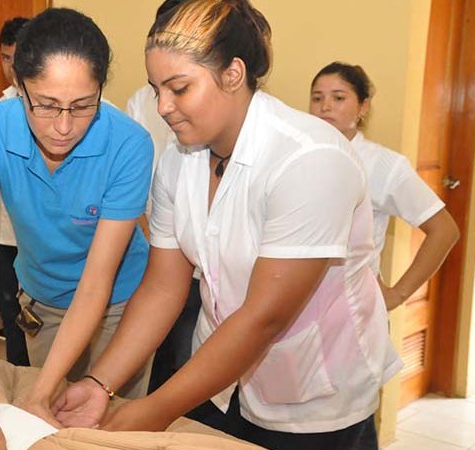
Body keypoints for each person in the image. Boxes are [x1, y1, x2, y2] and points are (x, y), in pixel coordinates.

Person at [52, 1, 401, 449]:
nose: (162, 106)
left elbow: (264, 317)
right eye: (156, 89)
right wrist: (100, 384)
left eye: (179, 88)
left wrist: (154, 409)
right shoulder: (180, 161)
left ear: (233, 74)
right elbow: (163, 287)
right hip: (220, 376)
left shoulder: (310, 159)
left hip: (315, 394)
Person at [0, 8, 154, 450]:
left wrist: (41, 392)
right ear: (18, 86)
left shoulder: (129, 144)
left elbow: (96, 282)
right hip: (42, 298)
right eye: (45, 105)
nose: (63, 127)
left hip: (119, 304)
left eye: (83, 106)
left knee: (109, 431)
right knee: (49, 427)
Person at [309, 62, 459, 311]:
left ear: (363, 107)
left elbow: (444, 230)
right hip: (300, 307)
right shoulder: (298, 156)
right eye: (317, 98)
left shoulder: (382, 165)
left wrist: (396, 295)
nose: (325, 106)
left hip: (353, 309)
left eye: (338, 98)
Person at [124, 0, 201, 395]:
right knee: (155, 360)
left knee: (189, 364)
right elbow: (134, 183)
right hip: (155, 245)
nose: (165, 106)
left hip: (203, 266)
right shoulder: (142, 103)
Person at [0, 16, 31, 367]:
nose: (13, 66)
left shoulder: (62, 106)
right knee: (12, 319)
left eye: (19, 56)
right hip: (6, 237)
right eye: (6, 58)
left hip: (48, 239)